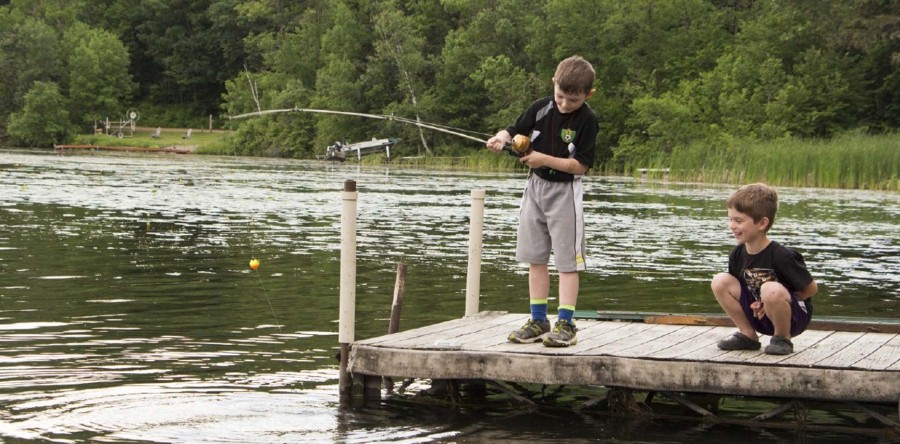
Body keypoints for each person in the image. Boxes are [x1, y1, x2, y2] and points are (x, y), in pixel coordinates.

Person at [485, 55, 598, 347]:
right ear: (554, 84)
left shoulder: (587, 120)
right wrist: (500, 138)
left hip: (565, 194)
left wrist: (543, 158)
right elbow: (513, 130)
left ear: (588, 95)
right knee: (535, 258)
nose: (564, 104)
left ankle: (566, 324)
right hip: (535, 188)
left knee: (566, 263)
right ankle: (538, 319)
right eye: (560, 96)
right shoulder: (541, 107)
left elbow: (580, 166)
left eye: (572, 100)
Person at [711, 183, 818, 355]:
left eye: (738, 220)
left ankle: (782, 339)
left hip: (793, 318)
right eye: (730, 219)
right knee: (720, 281)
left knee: (771, 289)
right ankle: (748, 335)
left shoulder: (782, 255)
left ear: (762, 223)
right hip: (759, 315)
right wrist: (757, 303)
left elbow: (811, 289)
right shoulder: (737, 254)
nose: (731, 225)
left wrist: (772, 301)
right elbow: (741, 290)